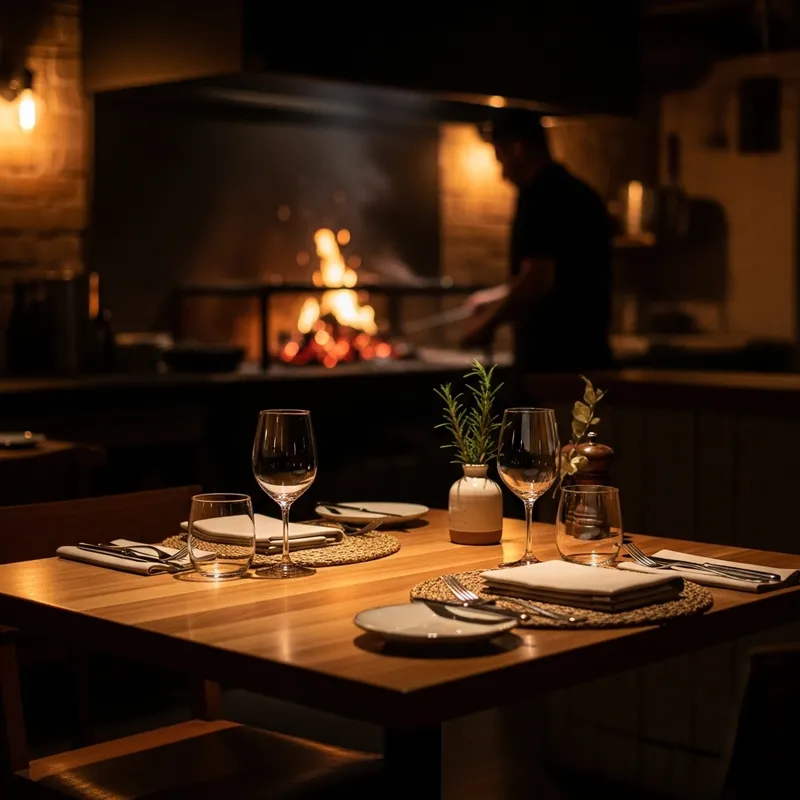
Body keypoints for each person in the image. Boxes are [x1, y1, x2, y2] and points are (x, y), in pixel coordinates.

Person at [461, 111, 613, 373]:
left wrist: (487, 325)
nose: (502, 173)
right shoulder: (579, 193)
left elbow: (538, 280)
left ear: (518, 149)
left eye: (501, 159)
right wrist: (495, 298)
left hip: (557, 364)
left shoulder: (540, 197)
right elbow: (564, 274)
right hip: (590, 358)